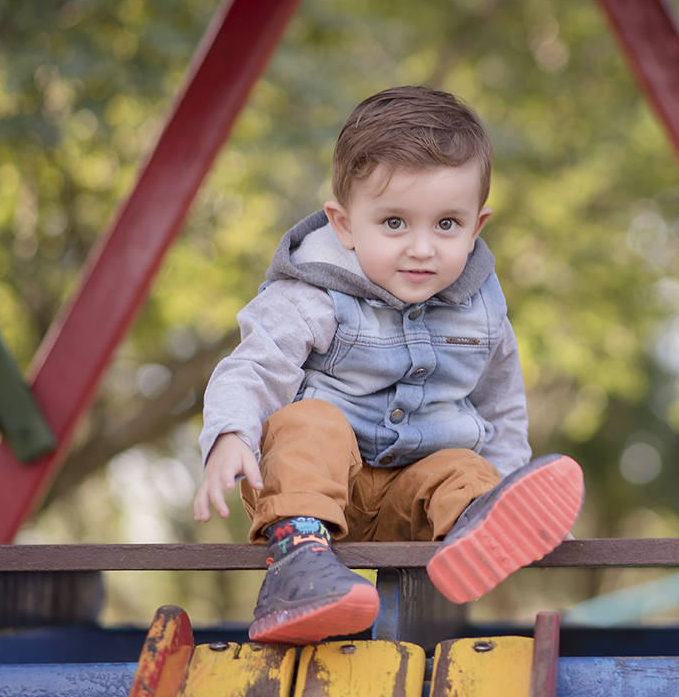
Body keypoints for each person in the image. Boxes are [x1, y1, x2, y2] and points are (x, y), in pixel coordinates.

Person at [192, 85, 584, 646]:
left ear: (476, 227)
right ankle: (299, 566)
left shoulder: (484, 313)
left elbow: (501, 406)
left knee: (463, 467)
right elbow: (252, 368)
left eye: (446, 225)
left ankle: (484, 521)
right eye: (395, 223)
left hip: (413, 500)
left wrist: (505, 482)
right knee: (310, 422)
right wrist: (231, 432)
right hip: (318, 488)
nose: (422, 248)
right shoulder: (314, 293)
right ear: (344, 224)